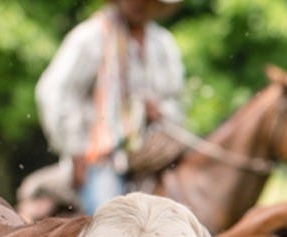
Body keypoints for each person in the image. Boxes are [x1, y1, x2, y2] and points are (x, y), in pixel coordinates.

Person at [36, 0, 186, 214]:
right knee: (111, 219)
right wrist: (76, 150)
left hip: (155, 154)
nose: (138, 3)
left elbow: (176, 99)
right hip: (103, 160)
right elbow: (55, 93)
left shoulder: (162, 43)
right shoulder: (91, 37)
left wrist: (160, 111)